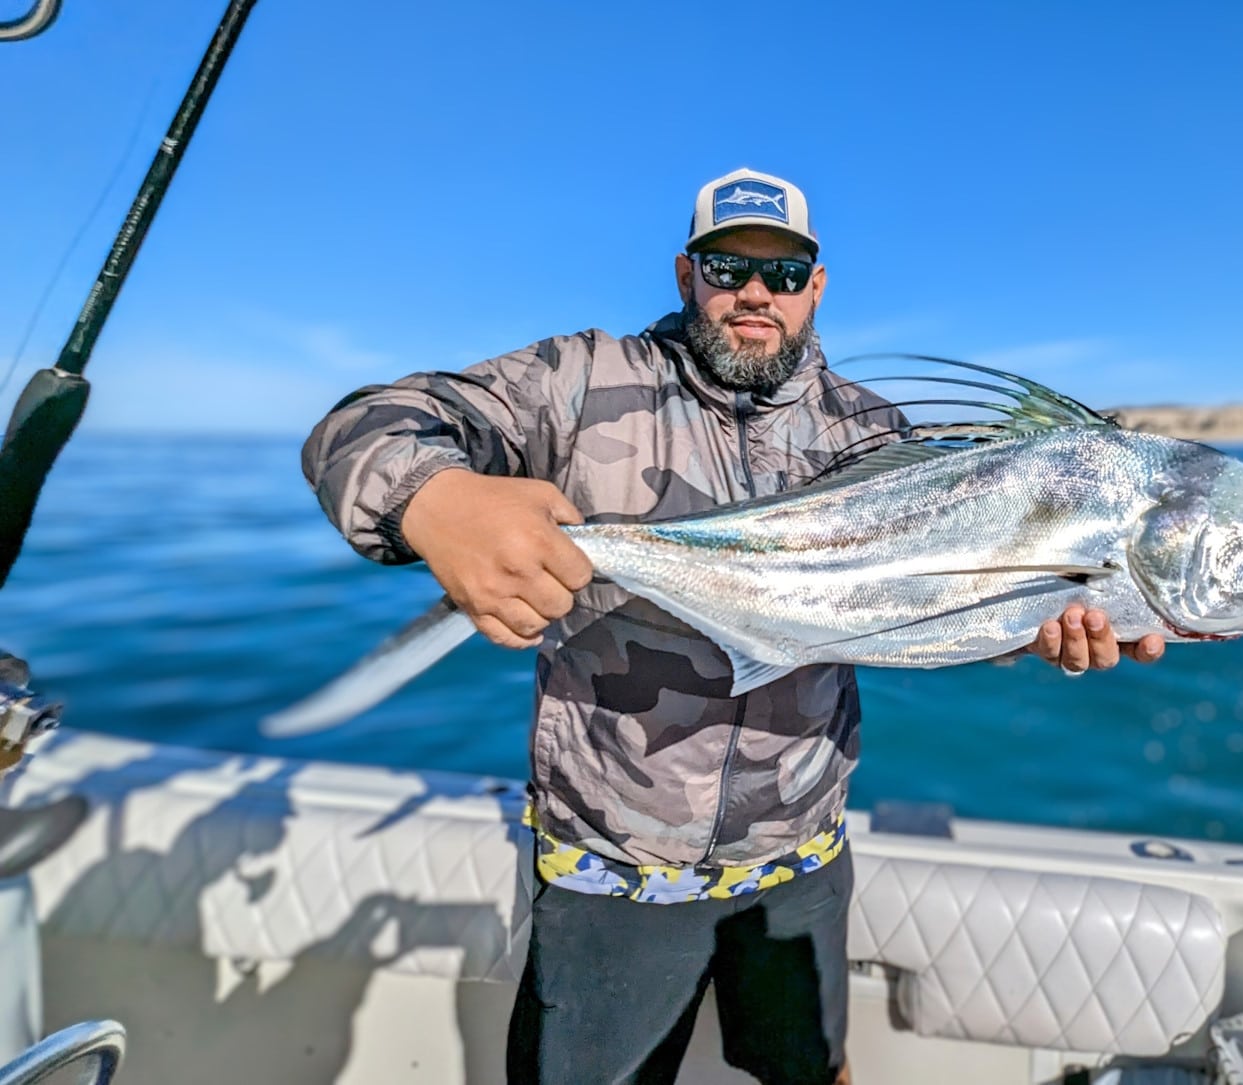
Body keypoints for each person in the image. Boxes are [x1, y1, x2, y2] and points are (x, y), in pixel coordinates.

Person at [301, 168, 1166, 1085]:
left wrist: (1038, 620)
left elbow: (926, 602)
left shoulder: (875, 434)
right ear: (687, 274)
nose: (758, 292)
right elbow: (363, 426)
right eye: (729, 266)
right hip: (611, 865)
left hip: (801, 858)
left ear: (817, 286)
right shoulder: (581, 381)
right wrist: (435, 499)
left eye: (786, 273)